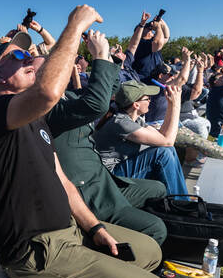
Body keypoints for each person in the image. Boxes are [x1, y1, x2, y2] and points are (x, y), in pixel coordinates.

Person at [0, 4, 169, 278]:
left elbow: (62, 180)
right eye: (17, 55)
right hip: (36, 250)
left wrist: (95, 227)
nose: (30, 55)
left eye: (29, 51)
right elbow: (49, 89)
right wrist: (75, 25)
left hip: (70, 232)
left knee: (150, 251)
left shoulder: (36, 121)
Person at [45, 30, 168, 244]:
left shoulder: (69, 97)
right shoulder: (48, 109)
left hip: (104, 181)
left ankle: (131, 227)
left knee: (157, 189)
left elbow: (107, 93)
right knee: (155, 228)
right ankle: (132, 255)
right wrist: (99, 55)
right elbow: (96, 103)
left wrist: (110, 60)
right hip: (89, 194)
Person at [94, 81, 190, 196]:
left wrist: (171, 104)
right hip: (111, 177)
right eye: (147, 98)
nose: (150, 101)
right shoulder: (121, 123)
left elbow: (163, 137)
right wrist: (176, 104)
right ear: (136, 105)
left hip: (120, 169)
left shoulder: (134, 119)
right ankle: (180, 202)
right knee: (162, 153)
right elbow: (168, 141)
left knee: (169, 150)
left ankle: (180, 199)